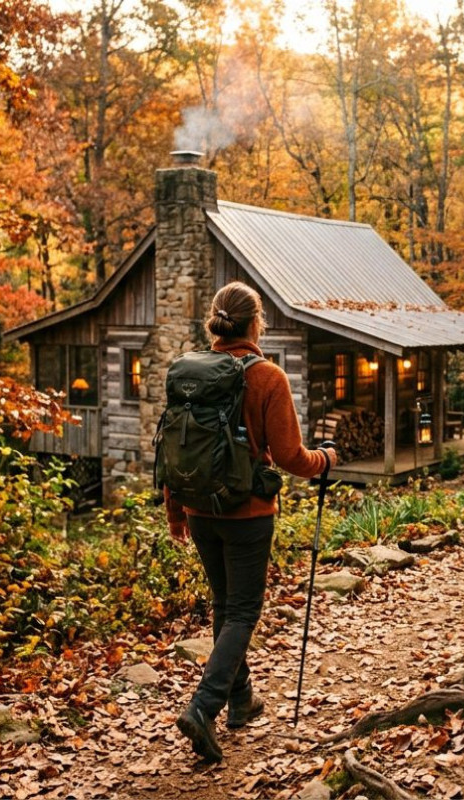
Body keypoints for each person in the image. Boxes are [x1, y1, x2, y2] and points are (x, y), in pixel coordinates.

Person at [168, 281, 337, 764]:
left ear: (217, 324)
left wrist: (176, 511)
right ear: (256, 322)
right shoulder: (268, 376)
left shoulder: (189, 371)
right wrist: (324, 460)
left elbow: (176, 448)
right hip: (247, 513)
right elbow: (289, 457)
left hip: (200, 509)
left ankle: (241, 702)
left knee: (226, 605)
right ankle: (203, 707)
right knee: (242, 612)